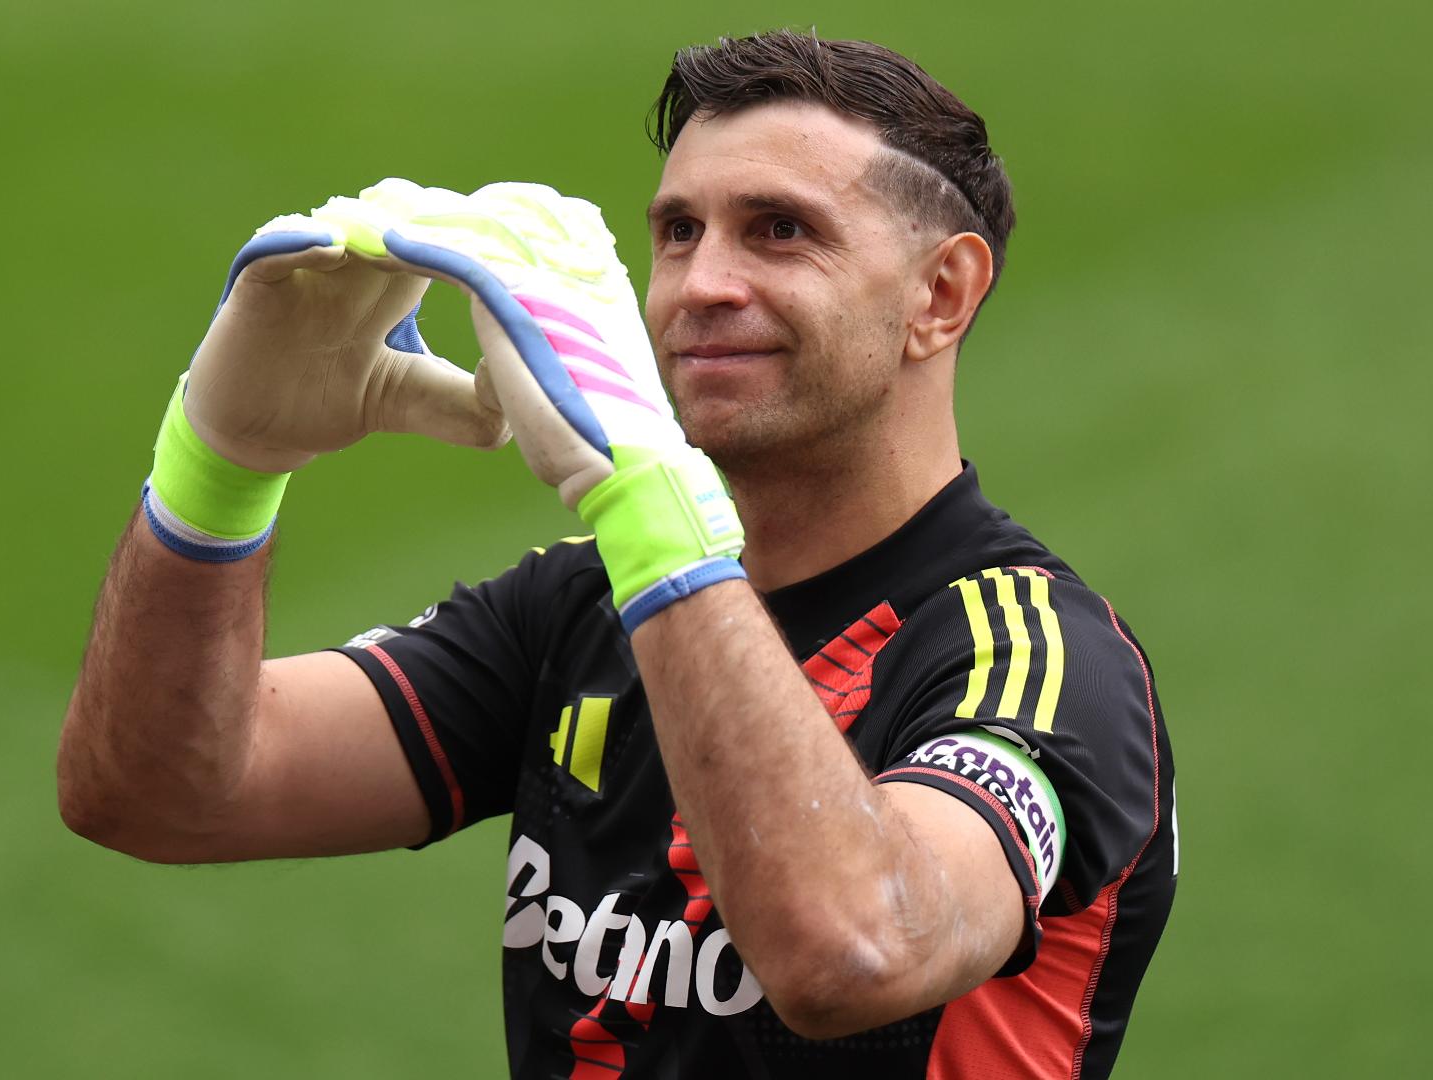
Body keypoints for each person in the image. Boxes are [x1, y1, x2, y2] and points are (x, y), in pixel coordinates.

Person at [57, 29, 1177, 1079]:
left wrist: (647, 497)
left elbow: (853, 951)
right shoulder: (585, 607)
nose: (701, 287)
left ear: (942, 294)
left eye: (781, 231)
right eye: (679, 232)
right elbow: (155, 794)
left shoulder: (1038, 660)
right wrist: (219, 468)